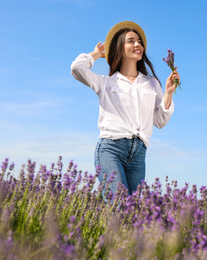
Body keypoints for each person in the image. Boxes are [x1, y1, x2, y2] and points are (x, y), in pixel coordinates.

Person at [70, 21, 180, 195]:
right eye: (131, 41)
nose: (137, 44)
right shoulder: (105, 83)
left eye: (139, 41)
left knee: (133, 214)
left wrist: (168, 92)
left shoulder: (152, 83)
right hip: (111, 149)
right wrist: (97, 54)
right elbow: (77, 68)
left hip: (139, 154)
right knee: (120, 206)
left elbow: (159, 121)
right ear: (120, 48)